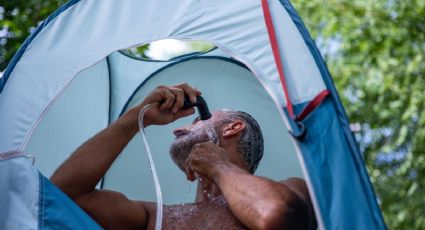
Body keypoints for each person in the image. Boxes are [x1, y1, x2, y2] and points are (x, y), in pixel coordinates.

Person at [50, 83, 317, 230]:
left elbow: (278, 215)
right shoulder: (152, 217)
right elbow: (62, 200)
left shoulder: (291, 189)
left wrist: (218, 167)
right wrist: (136, 117)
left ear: (233, 127)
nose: (178, 127)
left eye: (193, 123)